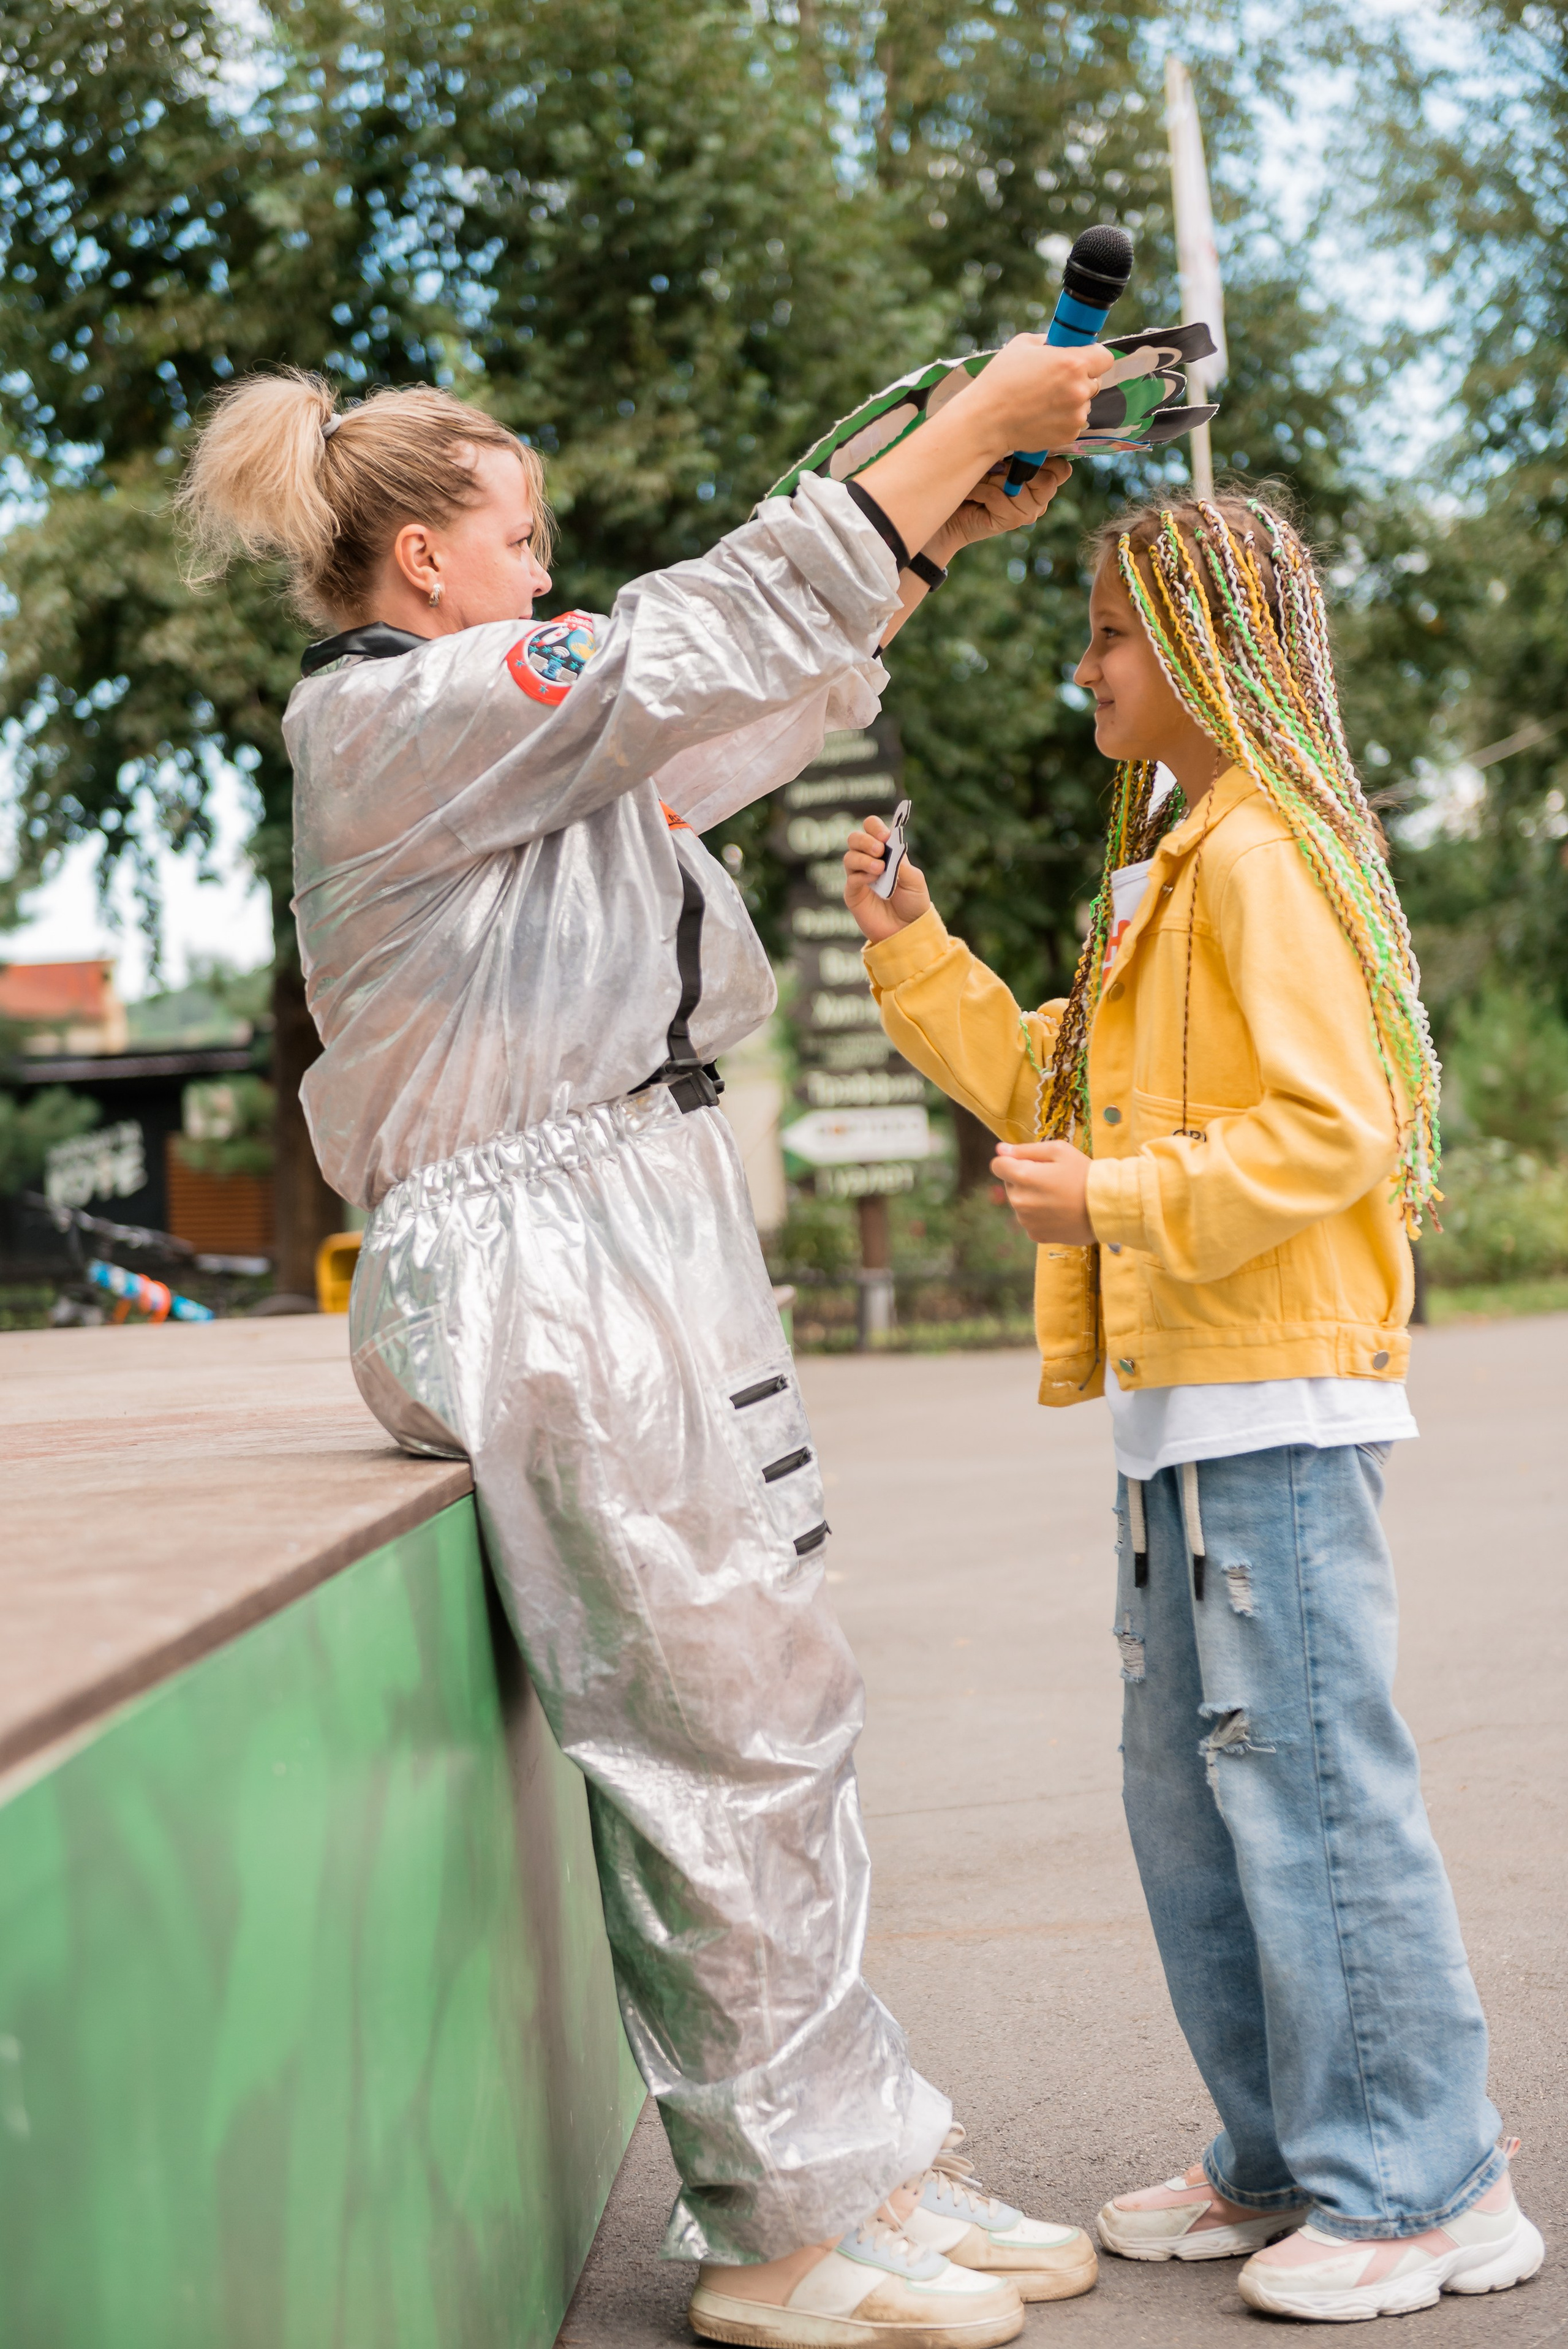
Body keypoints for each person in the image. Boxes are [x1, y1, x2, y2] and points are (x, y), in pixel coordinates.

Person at [175, 342, 1112, 2348]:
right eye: (522, 541)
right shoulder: (400, 720)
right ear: (424, 563)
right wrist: (949, 433)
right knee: (711, 1712)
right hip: (542, 1249)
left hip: (623, 1221)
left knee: (778, 1684)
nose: (551, 569)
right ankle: (779, 2223)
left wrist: (930, 532)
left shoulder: (490, 748)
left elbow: (715, 714)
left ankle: (850, 2148)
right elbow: (666, 651)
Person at [842, 490, 1545, 2324]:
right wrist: (918, 945)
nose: (1085, 663)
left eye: (1109, 632)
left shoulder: (1259, 856)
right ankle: (1292, 2151)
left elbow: (1342, 1130)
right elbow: (1051, 1088)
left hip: (1276, 1407)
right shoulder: (1179, 856)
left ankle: (1425, 2178)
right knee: (1200, 1806)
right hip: (1187, 1414)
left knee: (1313, 1790)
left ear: (1209, 646)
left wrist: (1126, 1201)